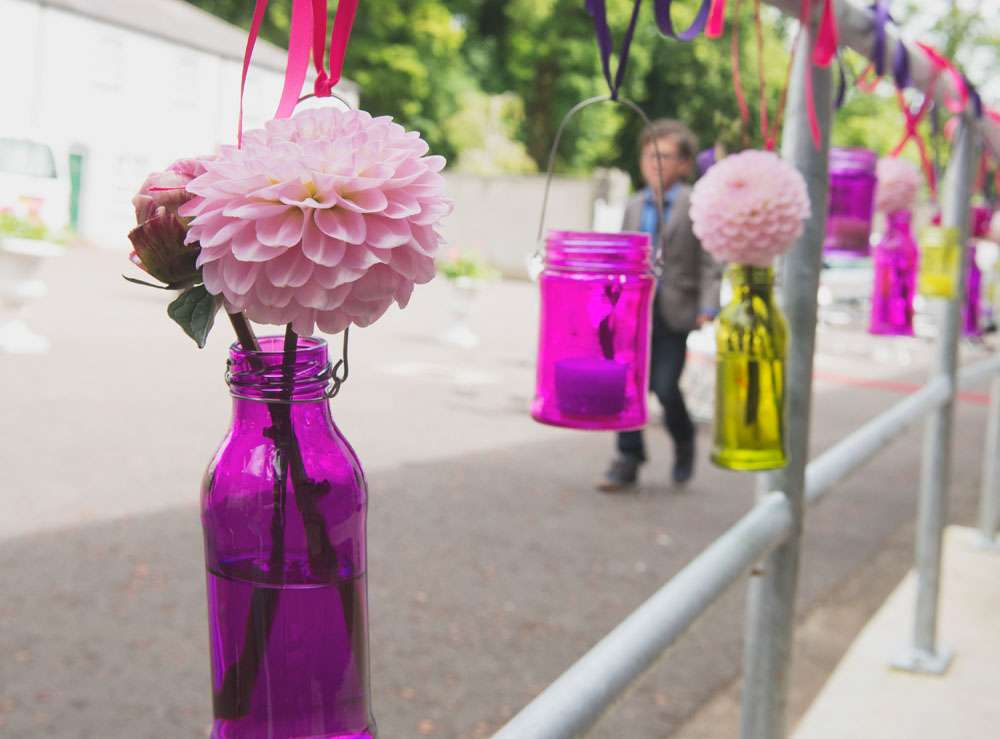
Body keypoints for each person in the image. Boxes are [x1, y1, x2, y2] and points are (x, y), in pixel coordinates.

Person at [598, 119, 721, 492]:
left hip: (674, 310)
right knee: (626, 384)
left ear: (683, 163)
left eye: (664, 156)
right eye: (649, 156)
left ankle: (684, 439)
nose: (655, 163)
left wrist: (708, 306)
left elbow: (710, 262)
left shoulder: (696, 205)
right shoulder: (634, 204)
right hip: (634, 311)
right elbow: (621, 256)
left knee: (665, 387)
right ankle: (628, 458)